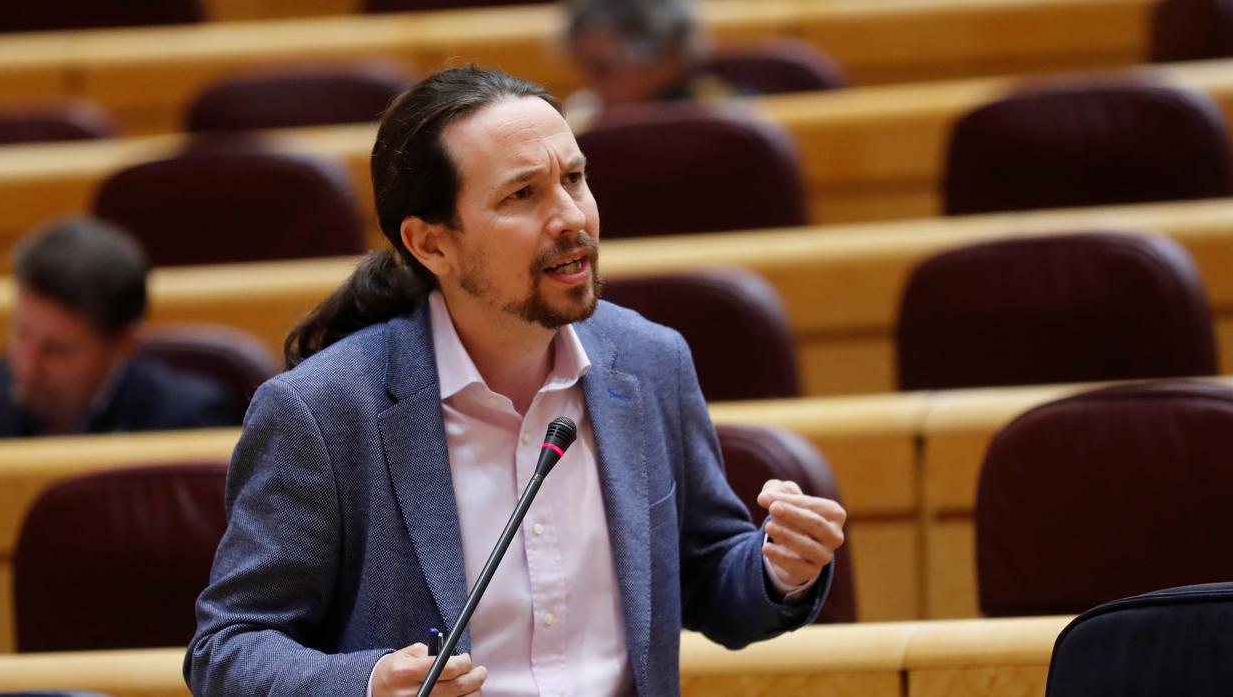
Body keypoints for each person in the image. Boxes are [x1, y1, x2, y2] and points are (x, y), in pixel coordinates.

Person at [185, 65, 846, 697]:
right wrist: (364, 684)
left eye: (575, 179)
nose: (570, 218)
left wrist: (776, 570)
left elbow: (702, 574)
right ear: (431, 245)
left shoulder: (650, 362)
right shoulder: (324, 413)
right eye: (521, 195)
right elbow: (229, 648)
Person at [0, 217, 237, 438]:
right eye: (21, 333)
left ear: (124, 345)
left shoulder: (188, 424)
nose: (28, 367)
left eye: (57, 350)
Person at [562, 0, 739, 125]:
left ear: (665, 59)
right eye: (583, 67)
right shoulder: (585, 114)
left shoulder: (725, 116)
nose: (591, 84)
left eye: (602, 70)